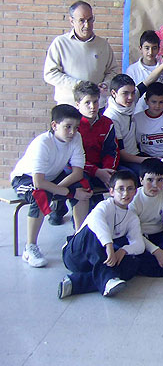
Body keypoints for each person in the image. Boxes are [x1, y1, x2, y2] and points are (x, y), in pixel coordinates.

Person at [11, 104, 92, 267]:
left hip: (54, 176)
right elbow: (38, 182)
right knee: (41, 194)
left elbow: (77, 173)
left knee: (83, 186)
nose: (72, 132)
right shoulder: (42, 143)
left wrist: (62, 191)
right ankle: (30, 247)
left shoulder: (76, 138)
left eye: (76, 127)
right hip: (26, 179)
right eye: (67, 127)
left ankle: (78, 240)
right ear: (54, 125)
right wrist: (68, 193)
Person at [57, 170, 144, 299]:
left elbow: (139, 245)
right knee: (92, 229)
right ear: (111, 191)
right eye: (121, 189)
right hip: (76, 255)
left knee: (131, 265)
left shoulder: (132, 217)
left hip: (97, 261)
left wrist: (123, 251)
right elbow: (95, 221)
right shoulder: (104, 206)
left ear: (135, 192)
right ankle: (108, 278)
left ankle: (74, 283)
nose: (125, 193)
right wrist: (109, 245)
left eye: (130, 189)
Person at [44, 0, 118, 107]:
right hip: (69, 106)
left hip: (96, 106)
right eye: (81, 20)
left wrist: (106, 83)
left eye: (90, 20)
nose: (87, 25)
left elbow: (113, 71)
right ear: (71, 21)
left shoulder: (103, 44)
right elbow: (50, 74)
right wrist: (78, 85)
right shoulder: (60, 43)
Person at [74, 81, 119, 194]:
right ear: (78, 104)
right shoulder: (72, 125)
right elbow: (71, 158)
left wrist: (107, 171)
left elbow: (112, 151)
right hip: (79, 168)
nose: (92, 107)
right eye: (87, 103)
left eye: (95, 102)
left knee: (126, 178)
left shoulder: (107, 123)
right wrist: (96, 172)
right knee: (83, 184)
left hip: (102, 168)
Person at [103, 74, 146, 175]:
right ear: (113, 93)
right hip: (123, 160)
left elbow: (145, 83)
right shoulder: (111, 117)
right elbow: (122, 154)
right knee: (144, 173)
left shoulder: (128, 104)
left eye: (132, 93)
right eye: (125, 93)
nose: (130, 97)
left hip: (136, 153)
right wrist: (147, 160)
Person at [125, 30, 163, 114]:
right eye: (147, 48)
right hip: (138, 114)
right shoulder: (132, 70)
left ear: (159, 49)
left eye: (154, 48)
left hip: (159, 115)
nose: (150, 52)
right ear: (140, 48)